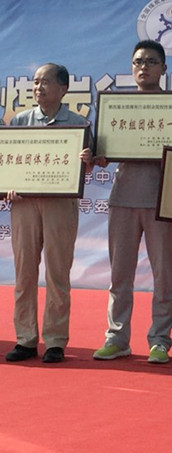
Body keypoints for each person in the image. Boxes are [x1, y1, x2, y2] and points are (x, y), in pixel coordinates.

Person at [92, 40, 172, 364]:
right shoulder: (118, 108)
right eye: (139, 62)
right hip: (124, 198)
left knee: (164, 276)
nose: (144, 67)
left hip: (163, 202)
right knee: (120, 275)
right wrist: (97, 156)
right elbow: (99, 151)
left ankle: (160, 340)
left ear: (163, 68)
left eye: (152, 62)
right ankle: (116, 338)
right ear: (132, 68)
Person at [3, 63, 92, 363]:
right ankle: (25, 339)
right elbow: (8, 163)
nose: (38, 87)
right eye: (35, 82)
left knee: (57, 273)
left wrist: (87, 159)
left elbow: (89, 166)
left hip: (59, 204)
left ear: (63, 88)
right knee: (24, 273)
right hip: (24, 204)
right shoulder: (20, 122)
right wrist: (8, 187)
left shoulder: (78, 124)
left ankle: (55, 340)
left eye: (45, 82)